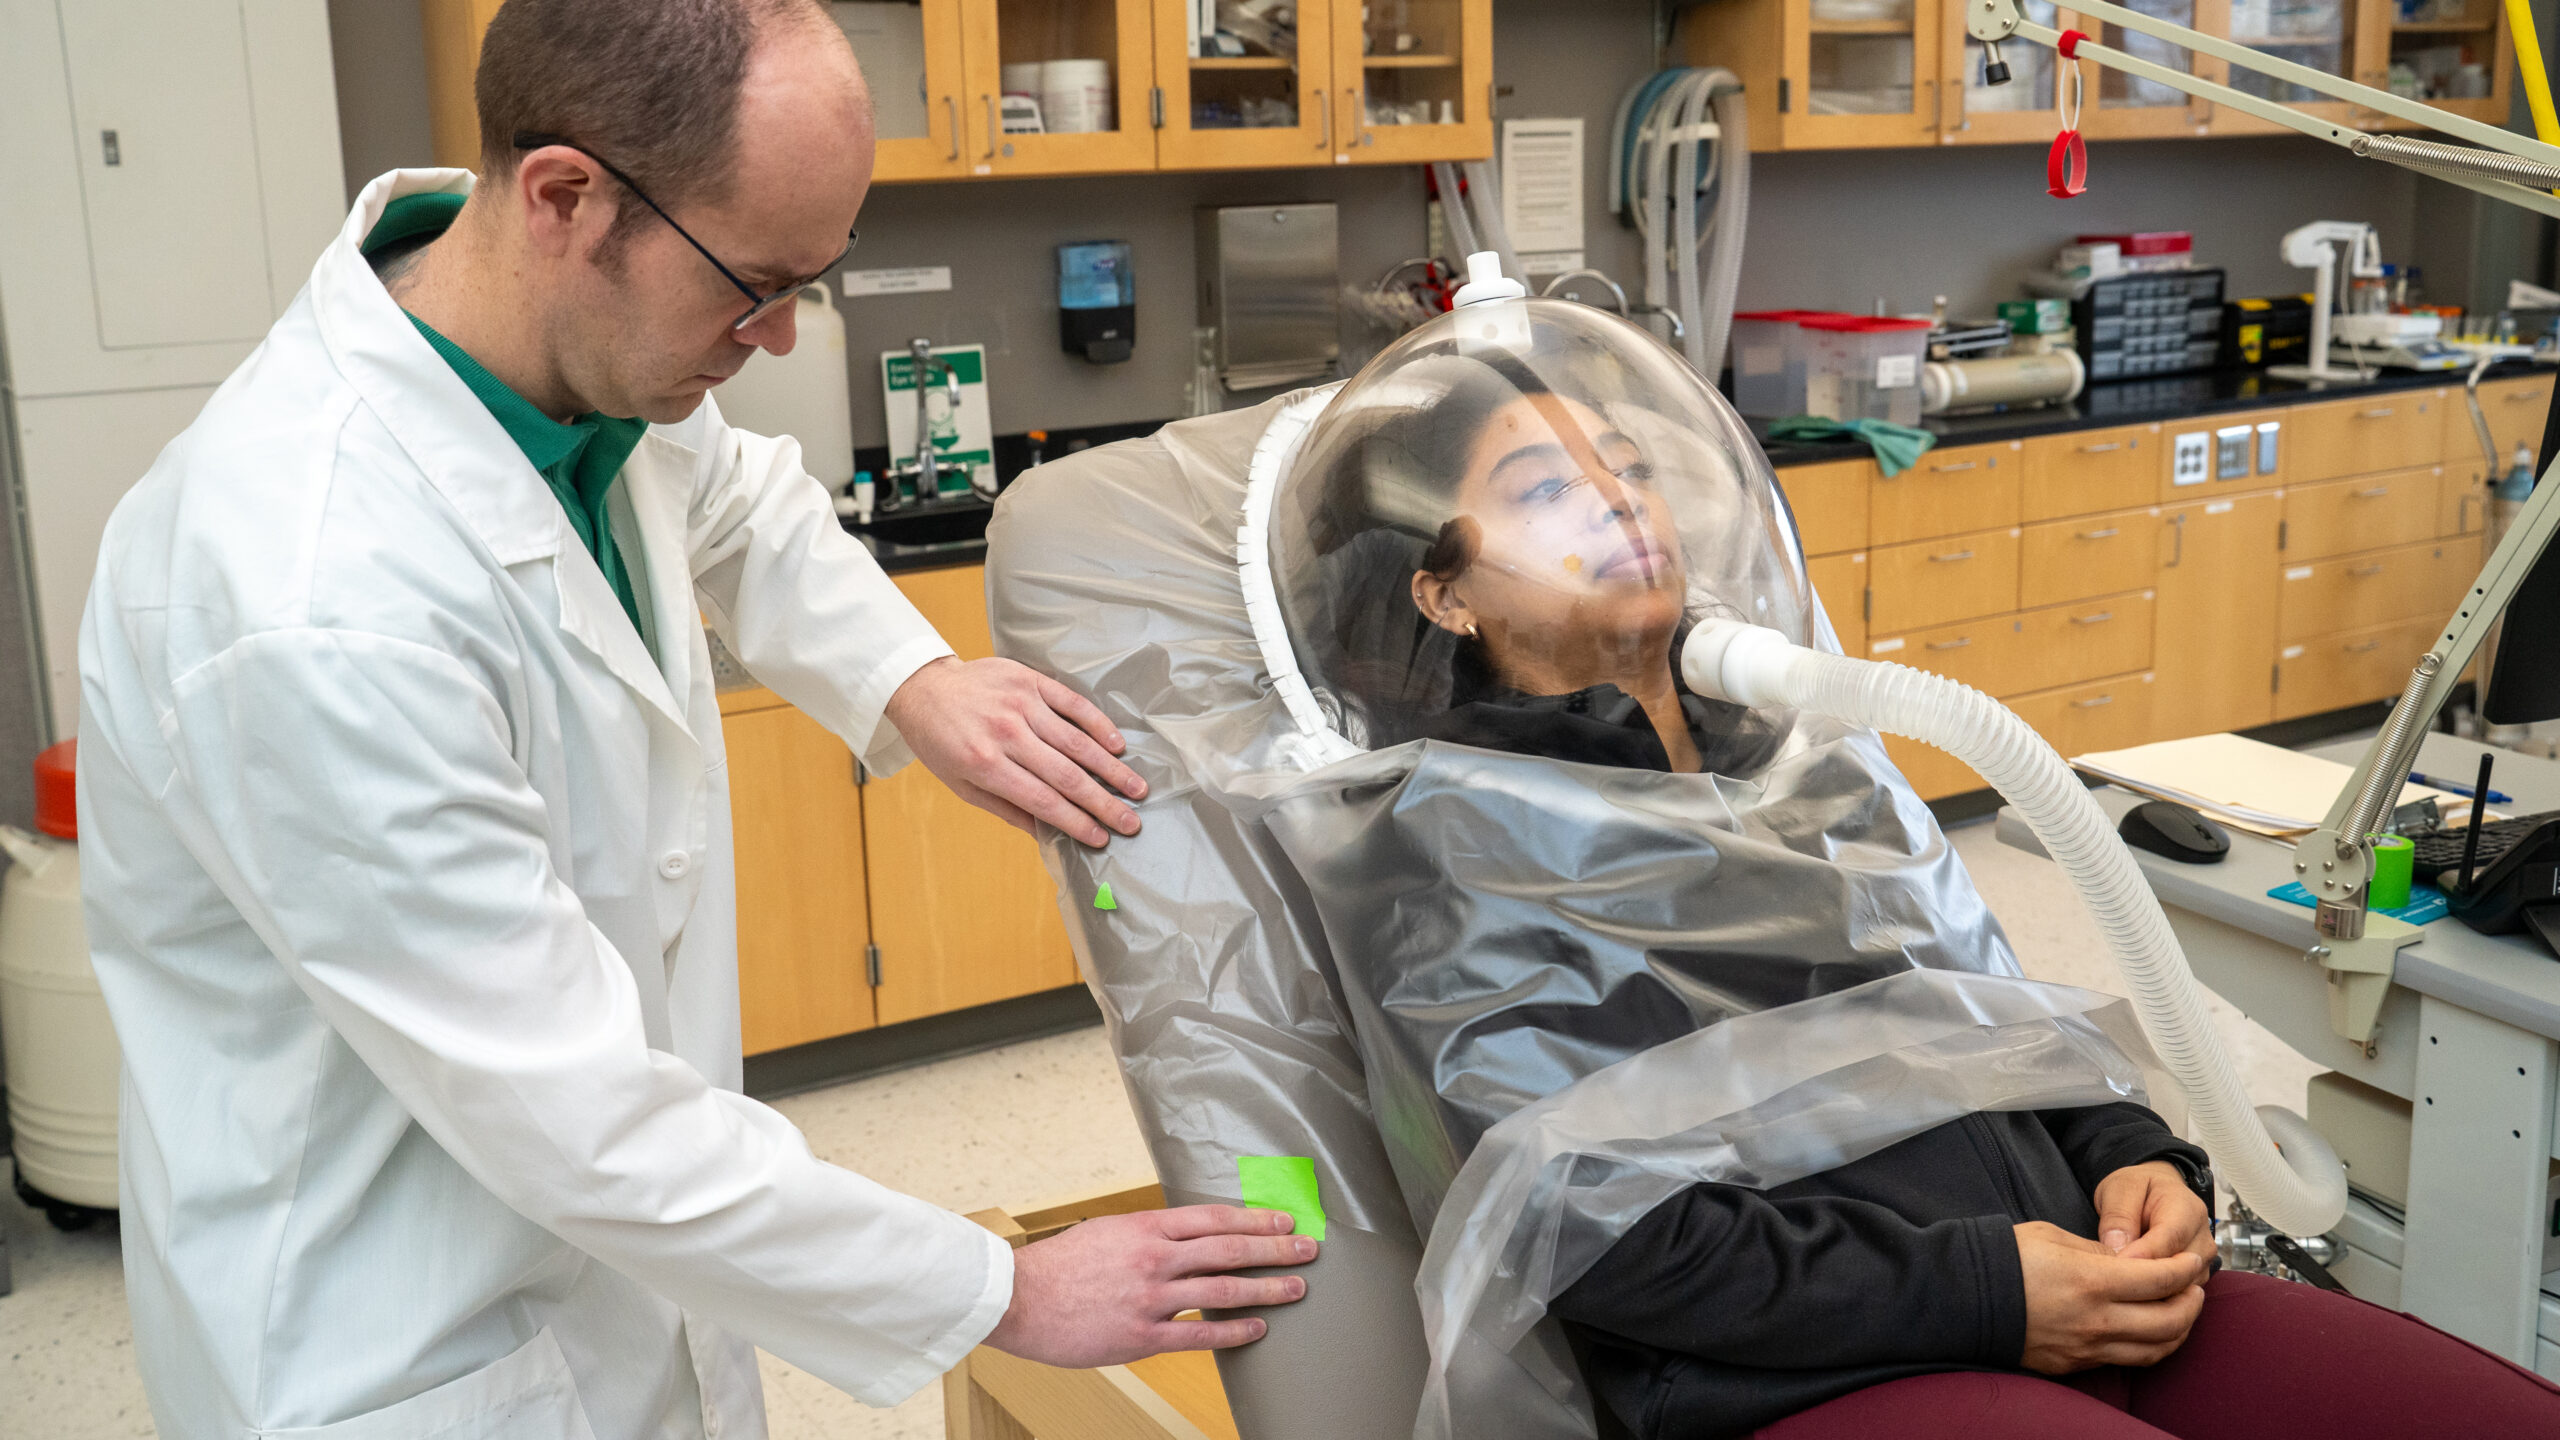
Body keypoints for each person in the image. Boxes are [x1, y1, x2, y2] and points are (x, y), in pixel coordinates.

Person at [76, 2, 1311, 1436]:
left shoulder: (575, 360)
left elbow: (736, 497)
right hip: (402, 1349)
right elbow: (578, 1119)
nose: (780, 336)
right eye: (757, 285)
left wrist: (920, 684)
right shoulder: (309, 600)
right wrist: (1000, 1293)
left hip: (611, 1285)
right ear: (563, 198)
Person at [1285, 339, 2560, 1440]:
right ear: (1441, 591)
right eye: (1545, 488)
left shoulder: (1805, 770)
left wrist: (2135, 1162)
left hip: (2083, 1278)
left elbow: (2001, 1028)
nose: (1619, 505)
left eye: (1629, 466)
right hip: (1811, 1374)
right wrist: (1989, 1295)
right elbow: (1597, 1240)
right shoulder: (1447, 847)